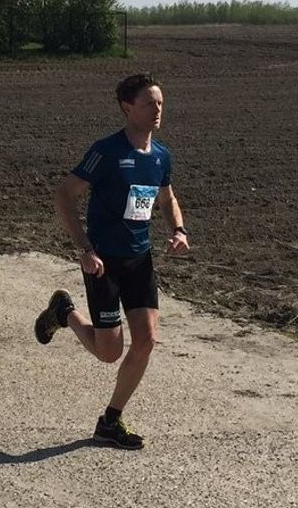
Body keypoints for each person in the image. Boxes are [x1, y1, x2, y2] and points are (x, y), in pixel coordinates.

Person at [34, 74, 189, 451]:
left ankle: (110, 421)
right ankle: (64, 313)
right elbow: (64, 194)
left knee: (147, 340)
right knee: (108, 352)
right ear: (127, 108)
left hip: (140, 260)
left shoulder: (160, 155)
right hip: (103, 262)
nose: (157, 110)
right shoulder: (106, 152)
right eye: (149, 104)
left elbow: (166, 198)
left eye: (161, 103)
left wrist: (179, 229)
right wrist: (84, 248)